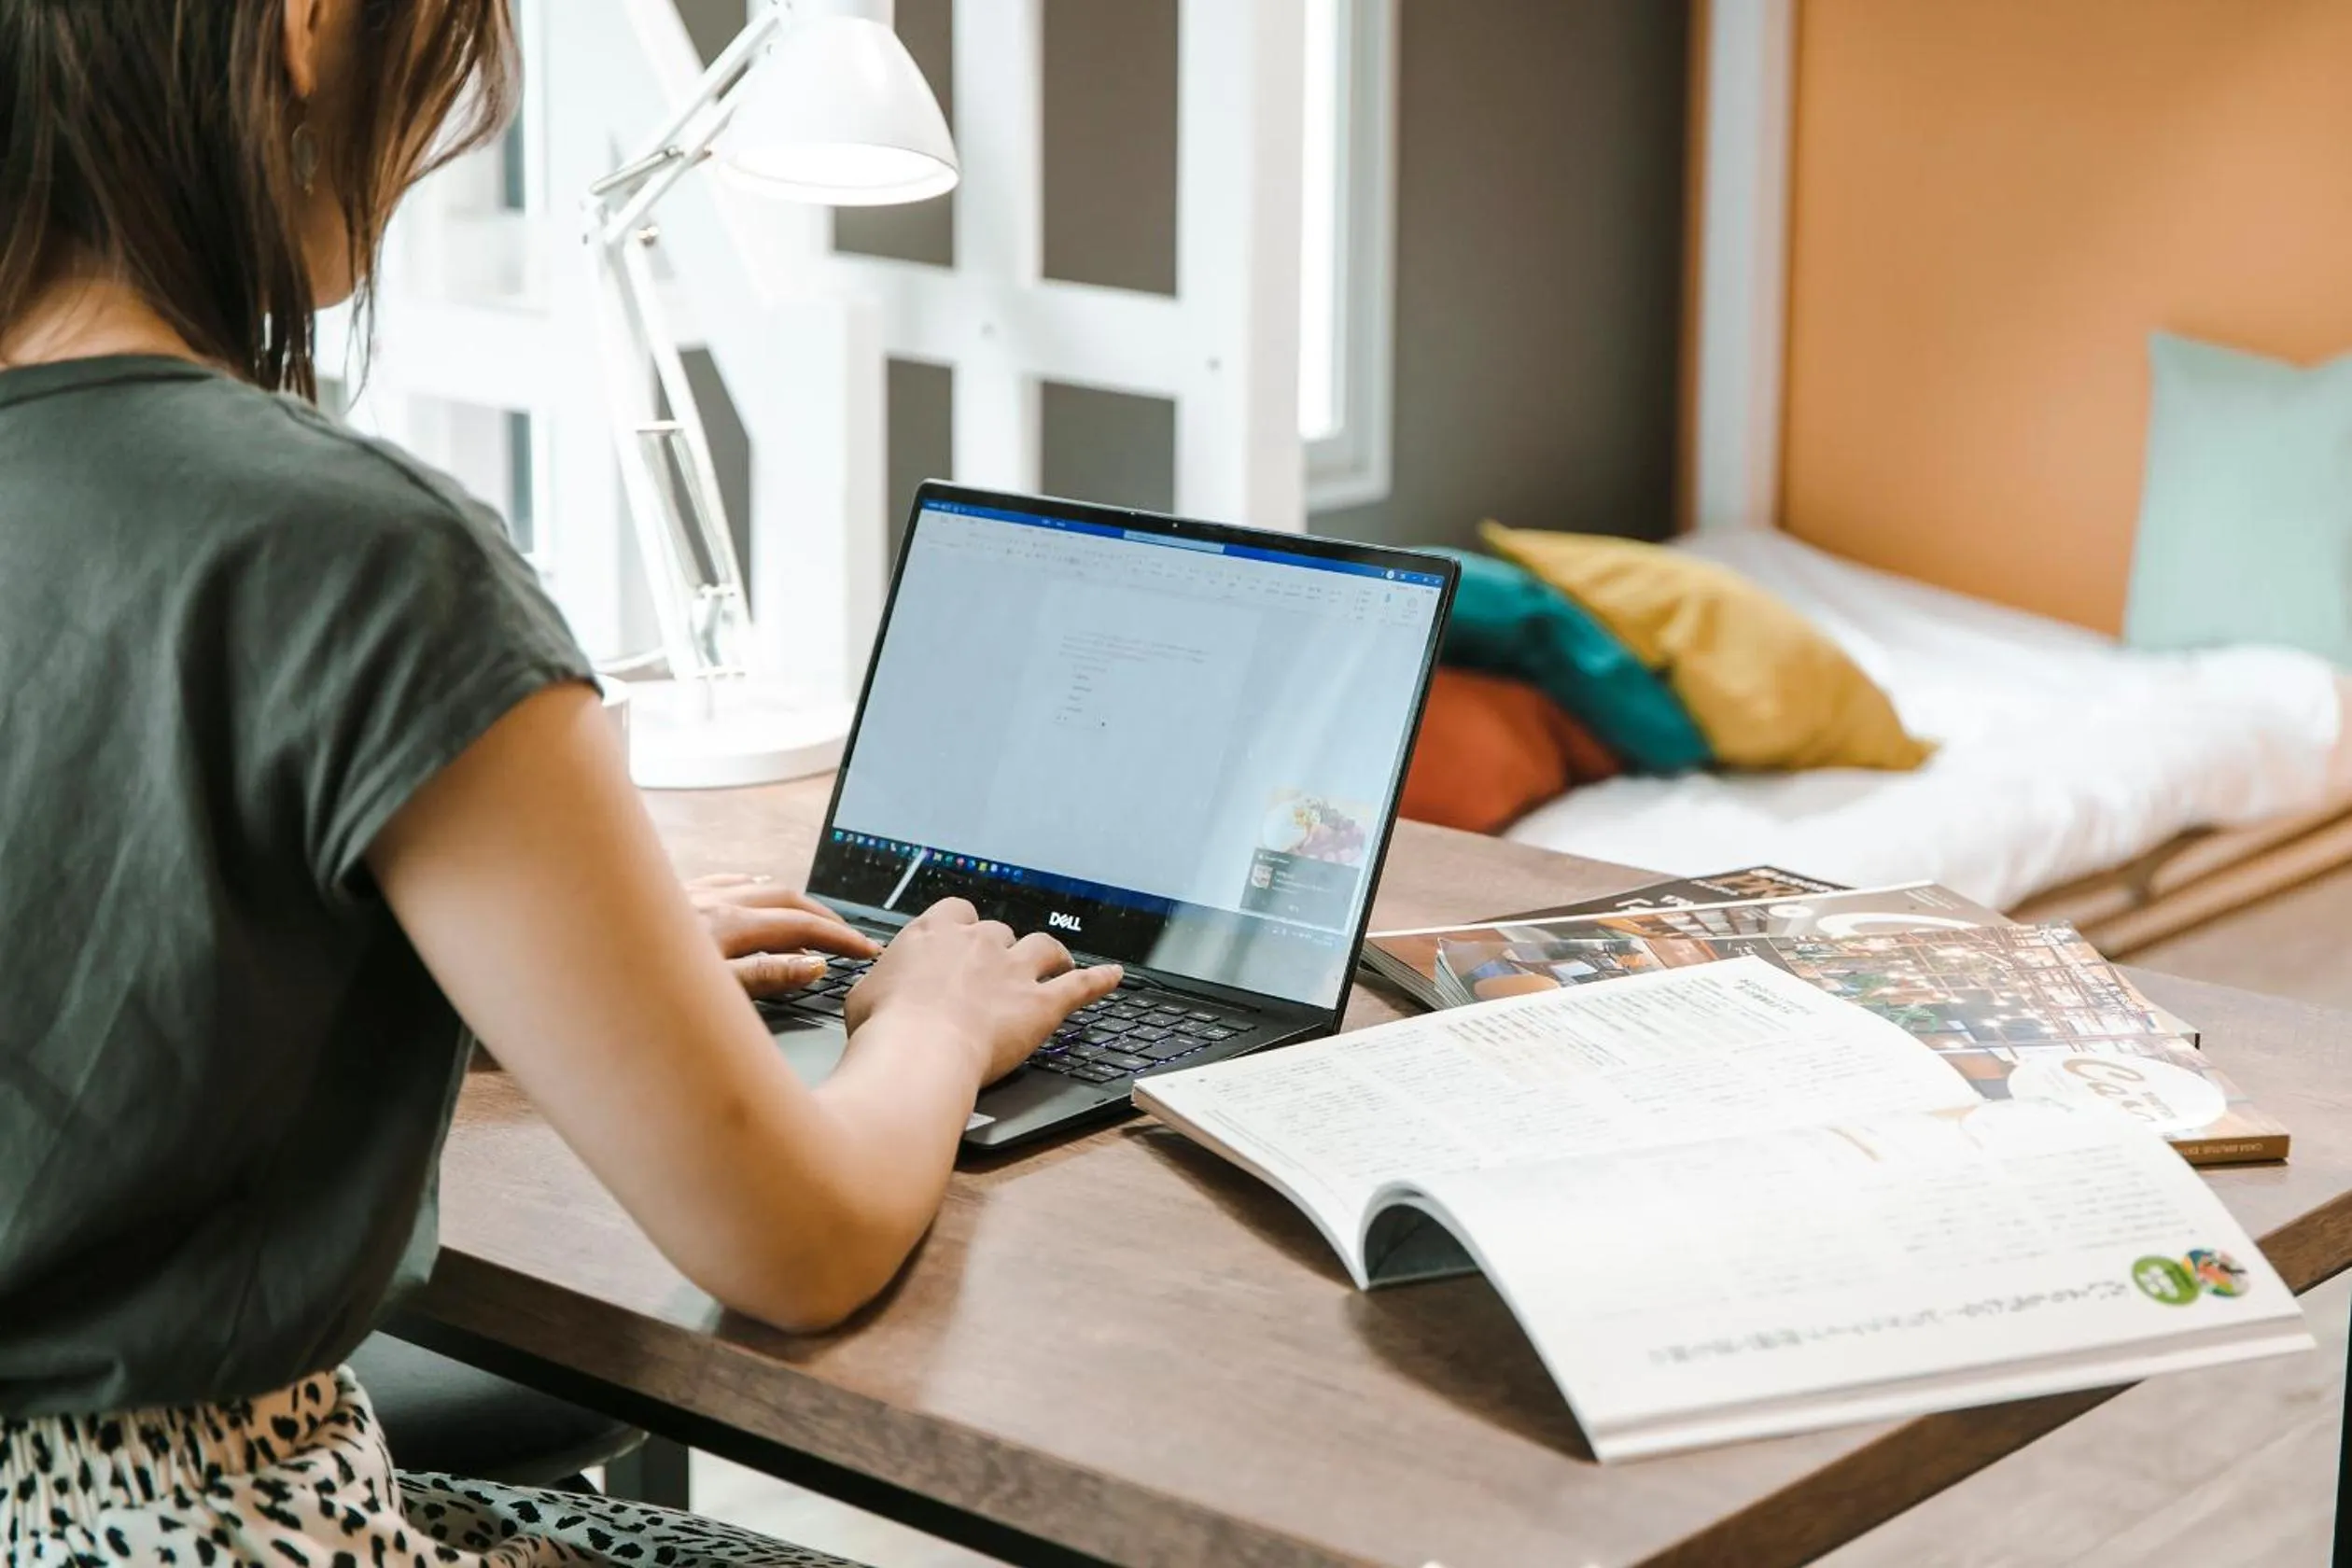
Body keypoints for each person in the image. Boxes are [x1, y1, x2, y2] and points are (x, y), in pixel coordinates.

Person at [0, 2, 1120, 1562]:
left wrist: (508, 973)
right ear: (313, 25)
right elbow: (800, 1245)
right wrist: (931, 1019)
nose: (411, 166)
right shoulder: (349, 558)